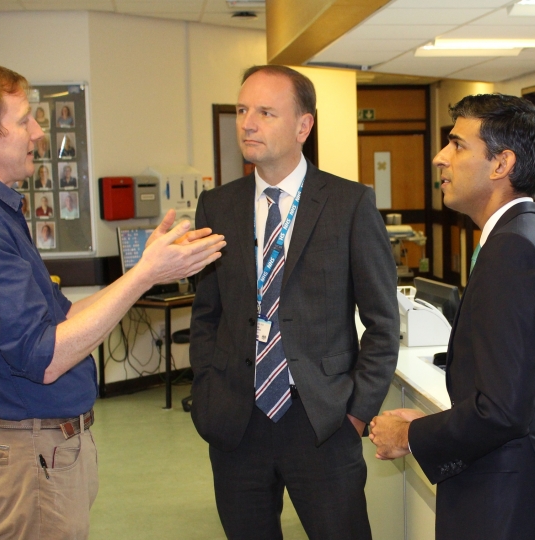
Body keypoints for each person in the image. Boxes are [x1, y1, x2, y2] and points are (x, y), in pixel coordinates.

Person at [0, 60, 225, 540]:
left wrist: (144, 272)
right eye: (23, 120)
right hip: (26, 452)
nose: (38, 132)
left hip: (37, 448)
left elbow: (64, 319)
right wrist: (144, 277)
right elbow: (46, 356)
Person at [369, 94, 535, 540]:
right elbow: (509, 395)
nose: (440, 158)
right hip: (520, 490)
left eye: (457, 145)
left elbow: (501, 412)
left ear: (501, 164)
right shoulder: (529, 237)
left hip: (511, 506)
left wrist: (412, 437)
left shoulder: (514, 250)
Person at [189, 65, 399, 539]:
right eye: (243, 110)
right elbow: (207, 313)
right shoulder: (217, 206)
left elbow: (383, 323)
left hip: (322, 419)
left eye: (265, 112)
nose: (247, 123)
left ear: (304, 125)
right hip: (237, 420)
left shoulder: (350, 204)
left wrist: (357, 412)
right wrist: (207, 392)